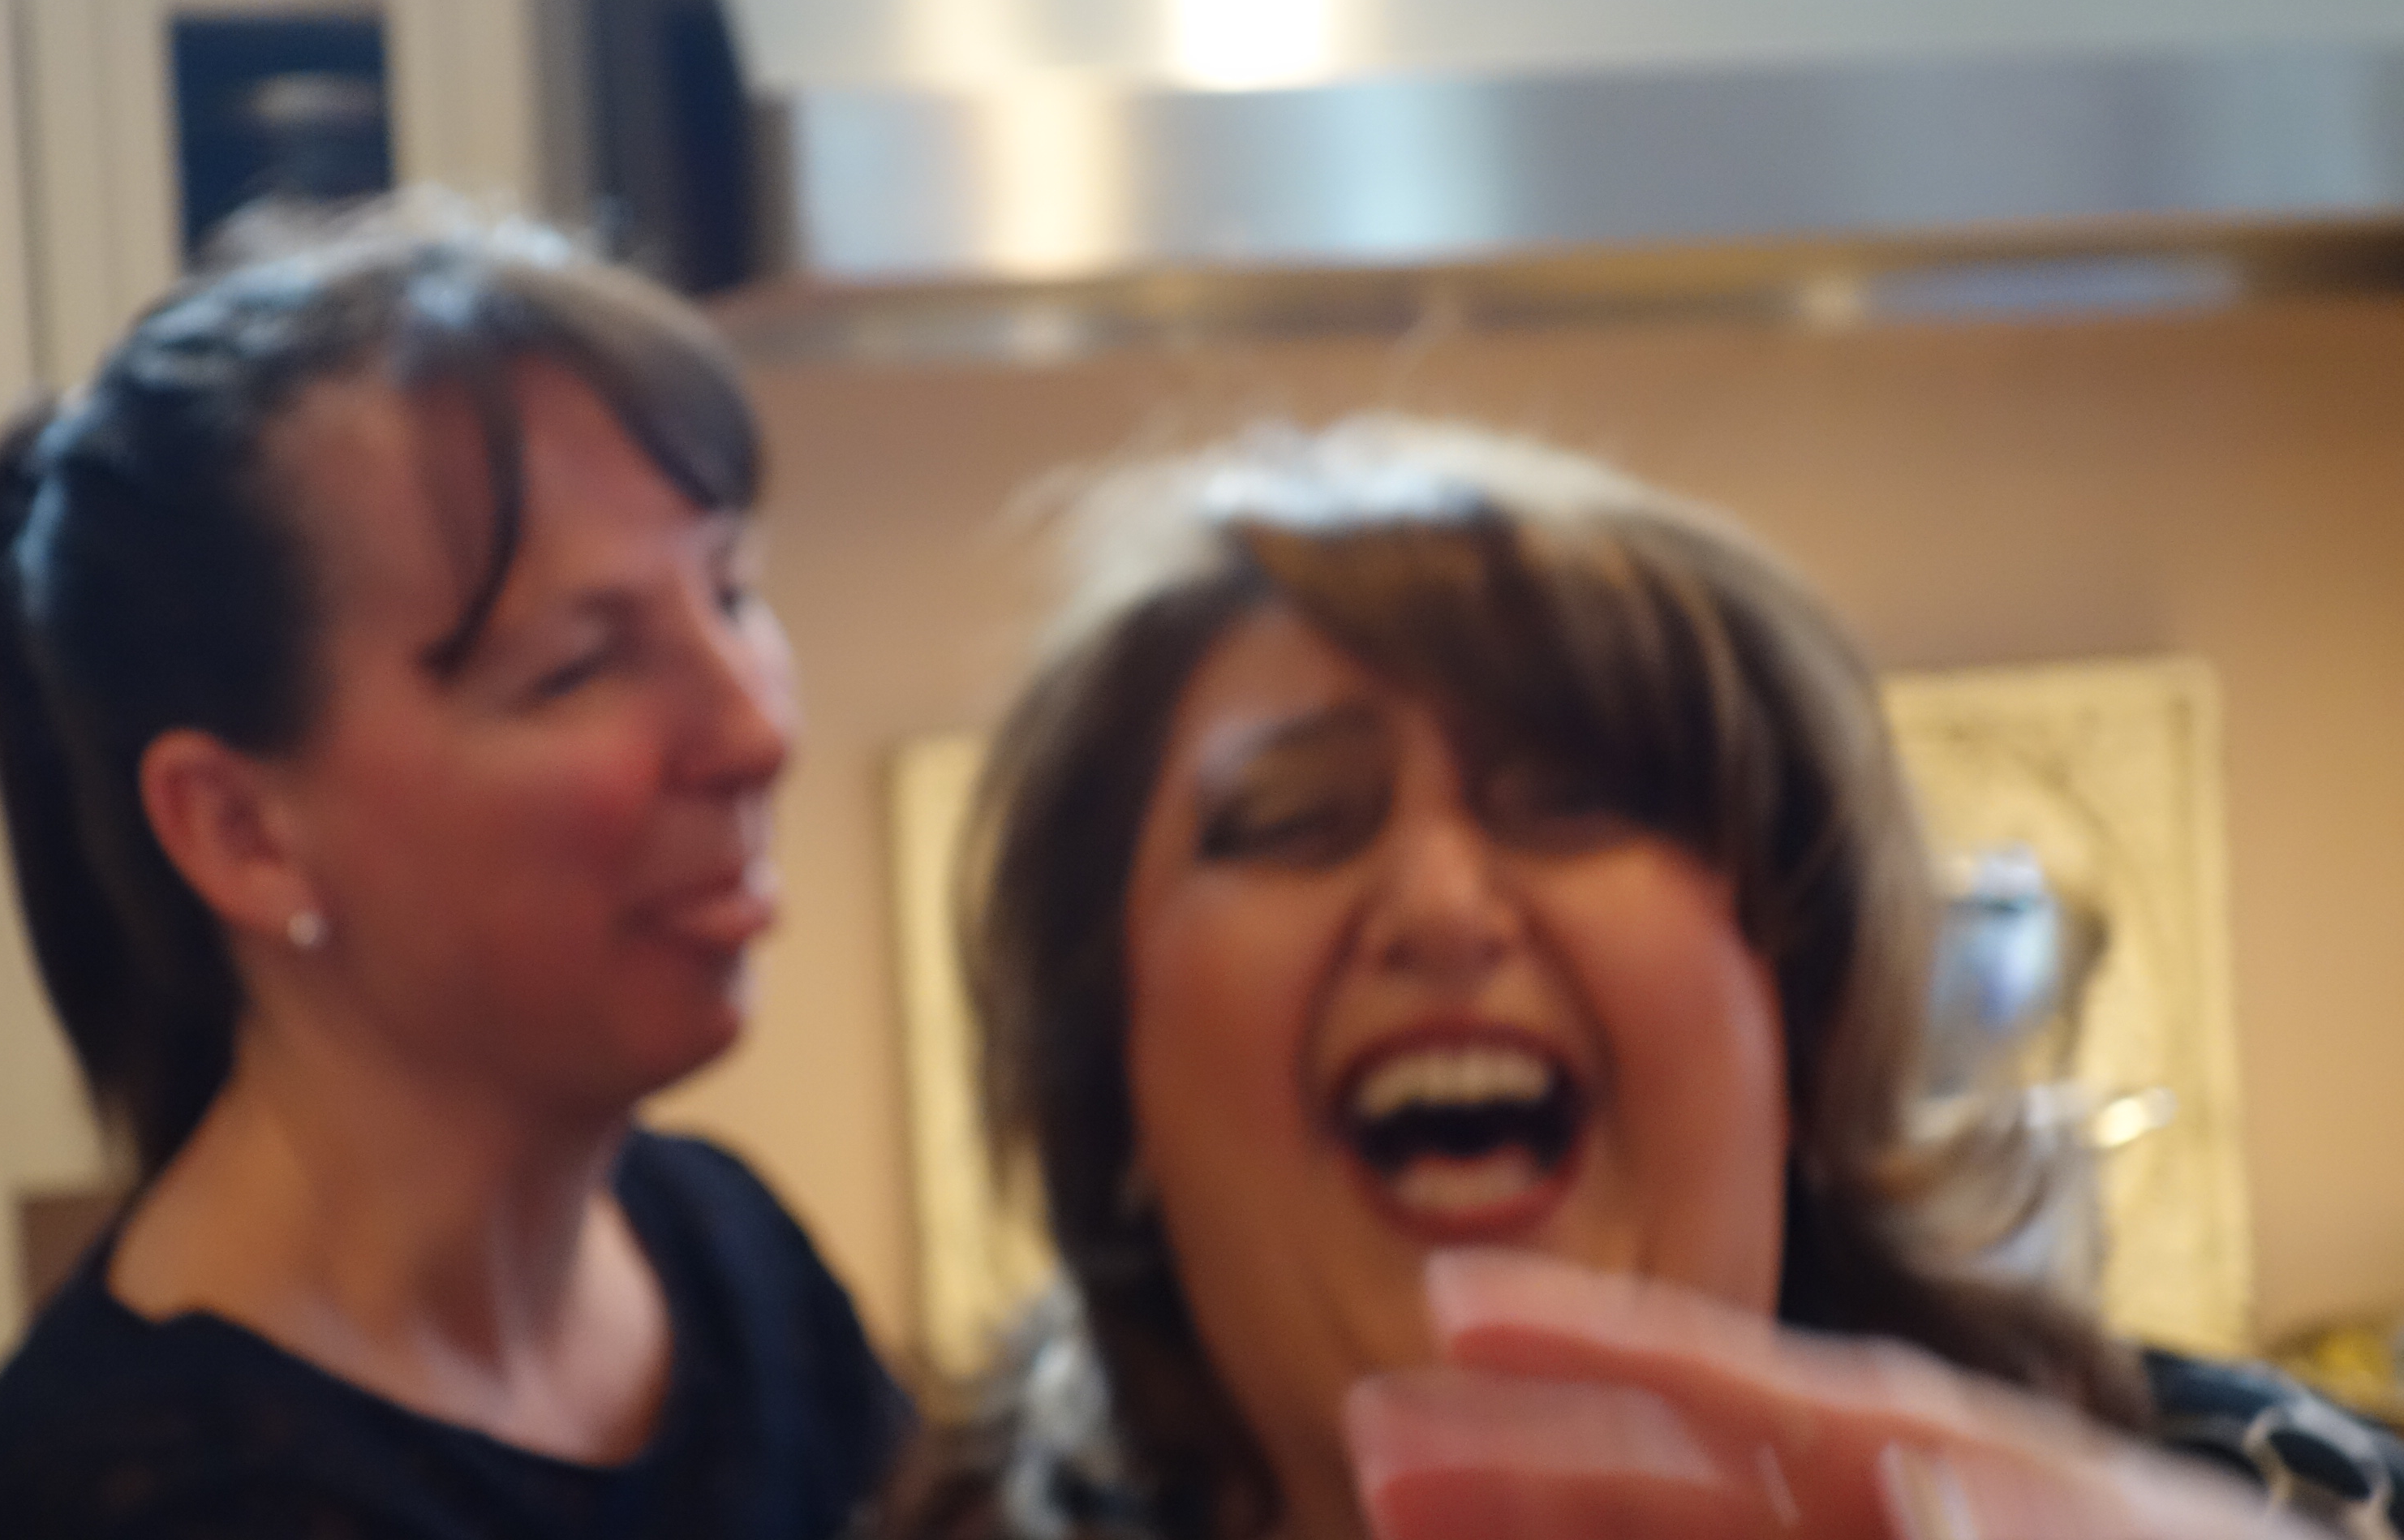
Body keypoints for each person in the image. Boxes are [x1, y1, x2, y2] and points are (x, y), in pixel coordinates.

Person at [888, 420, 2398, 1539]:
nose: (1441, 907)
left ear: (1800, 1009)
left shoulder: (2251, 1503)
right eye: (1292, 821)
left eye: (1574, 802)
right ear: (1114, 1084)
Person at [0, 204, 905, 1539]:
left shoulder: (725, 1255)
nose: (754, 732)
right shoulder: (143, 1503)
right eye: (578, 667)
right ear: (242, 832)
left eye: (730, 594)